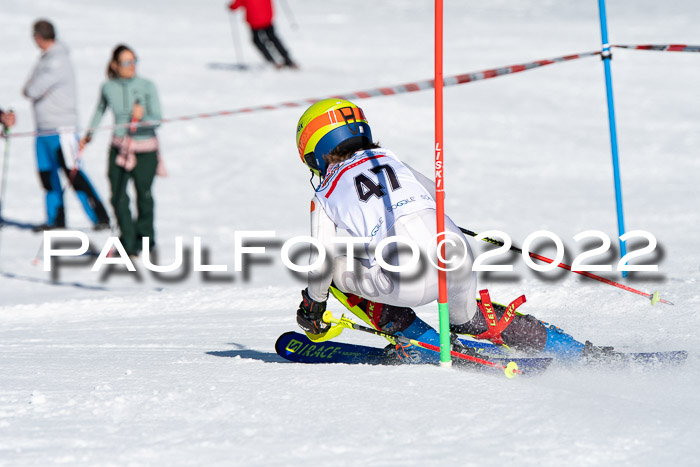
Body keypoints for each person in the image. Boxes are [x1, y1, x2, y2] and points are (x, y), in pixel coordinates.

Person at [293, 98, 619, 363]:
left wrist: (313, 305)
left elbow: (320, 258)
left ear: (317, 153)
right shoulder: (391, 160)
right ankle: (578, 352)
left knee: (334, 269)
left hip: (408, 275)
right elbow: (433, 196)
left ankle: (423, 343)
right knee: (469, 317)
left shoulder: (325, 193)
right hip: (456, 255)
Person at [23, 19, 111, 231]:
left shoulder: (58, 59)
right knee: (46, 174)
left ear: (39, 36)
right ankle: (56, 219)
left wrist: (32, 88)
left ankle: (100, 217)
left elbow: (33, 90)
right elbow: (28, 88)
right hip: (43, 127)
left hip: (62, 129)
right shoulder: (44, 59)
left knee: (73, 173)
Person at [80, 44, 164, 257]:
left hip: (145, 148)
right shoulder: (108, 87)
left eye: (134, 61)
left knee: (144, 196)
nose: (131, 66)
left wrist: (142, 116)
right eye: (127, 62)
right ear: (115, 65)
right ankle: (127, 241)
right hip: (119, 148)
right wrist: (89, 135)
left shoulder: (147, 86)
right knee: (118, 196)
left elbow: (157, 119)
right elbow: (99, 111)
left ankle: (146, 239)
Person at [227, 0, 298, 69]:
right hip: (267, 17)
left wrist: (230, 6)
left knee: (256, 41)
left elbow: (235, 6)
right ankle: (287, 59)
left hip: (254, 20)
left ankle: (271, 61)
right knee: (273, 38)